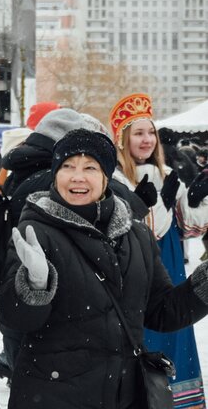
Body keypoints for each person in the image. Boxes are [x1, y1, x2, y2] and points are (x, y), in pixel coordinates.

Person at [0, 128, 208, 408]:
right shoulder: (34, 233)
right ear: (55, 174)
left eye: (90, 167)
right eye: (67, 166)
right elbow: (15, 321)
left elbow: (162, 312)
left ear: (106, 176)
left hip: (125, 395)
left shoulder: (137, 236)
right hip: (53, 396)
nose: (77, 176)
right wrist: (34, 286)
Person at [108, 93, 208, 406]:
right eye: (138, 133)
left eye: (151, 132)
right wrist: (160, 204)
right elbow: (142, 232)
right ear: (123, 139)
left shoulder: (168, 175)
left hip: (171, 269)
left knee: (175, 332)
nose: (147, 139)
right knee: (146, 337)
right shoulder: (113, 180)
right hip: (139, 272)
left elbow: (191, 229)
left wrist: (197, 201)